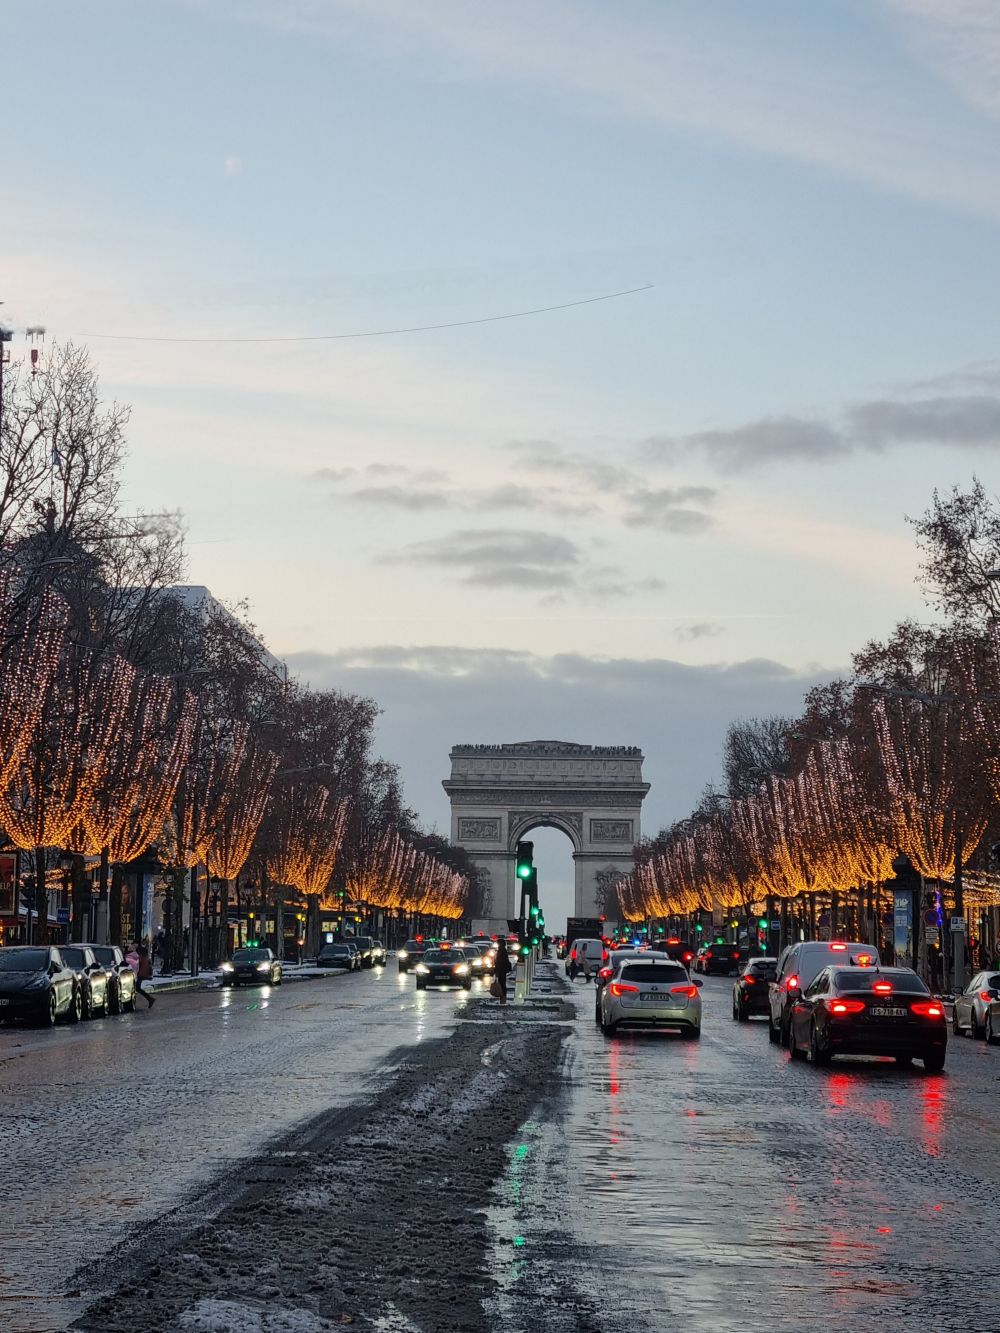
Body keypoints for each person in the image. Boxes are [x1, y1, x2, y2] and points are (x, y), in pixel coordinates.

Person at [136, 942, 155, 1008]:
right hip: (141, 974)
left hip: (140, 974)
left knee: (137, 987)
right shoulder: (145, 957)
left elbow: (138, 966)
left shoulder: (141, 958)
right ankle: (149, 999)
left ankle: (150, 998)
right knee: (137, 988)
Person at [493, 939, 512, 1005]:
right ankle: (503, 997)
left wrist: (496, 969)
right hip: (502, 970)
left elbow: (500, 962)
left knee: (502, 984)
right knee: (502, 983)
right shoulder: (503, 950)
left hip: (501, 970)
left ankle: (503, 998)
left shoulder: (501, 951)